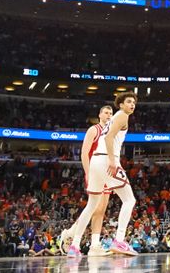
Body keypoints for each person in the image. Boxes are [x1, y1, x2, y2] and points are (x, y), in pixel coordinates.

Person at [66, 93, 138, 258]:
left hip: (96, 163)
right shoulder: (121, 117)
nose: (132, 105)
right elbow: (109, 138)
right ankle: (119, 240)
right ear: (120, 104)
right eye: (129, 102)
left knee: (91, 205)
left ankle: (75, 246)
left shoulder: (113, 118)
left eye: (134, 102)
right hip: (106, 160)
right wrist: (113, 161)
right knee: (129, 200)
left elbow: (105, 137)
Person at [59, 105, 114, 256]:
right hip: (95, 170)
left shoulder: (111, 132)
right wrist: (88, 172)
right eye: (106, 113)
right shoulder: (94, 130)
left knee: (101, 210)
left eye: (111, 113)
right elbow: (84, 153)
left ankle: (94, 245)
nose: (109, 115)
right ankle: (72, 235)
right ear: (100, 115)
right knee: (93, 207)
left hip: (107, 172)